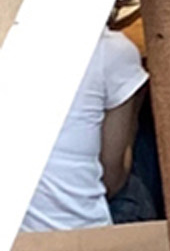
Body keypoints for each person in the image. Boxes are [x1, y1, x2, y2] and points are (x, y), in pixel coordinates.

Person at [21, 27, 150, 232]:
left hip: (24, 237)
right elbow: (112, 180)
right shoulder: (111, 49)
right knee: (142, 161)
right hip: (79, 230)